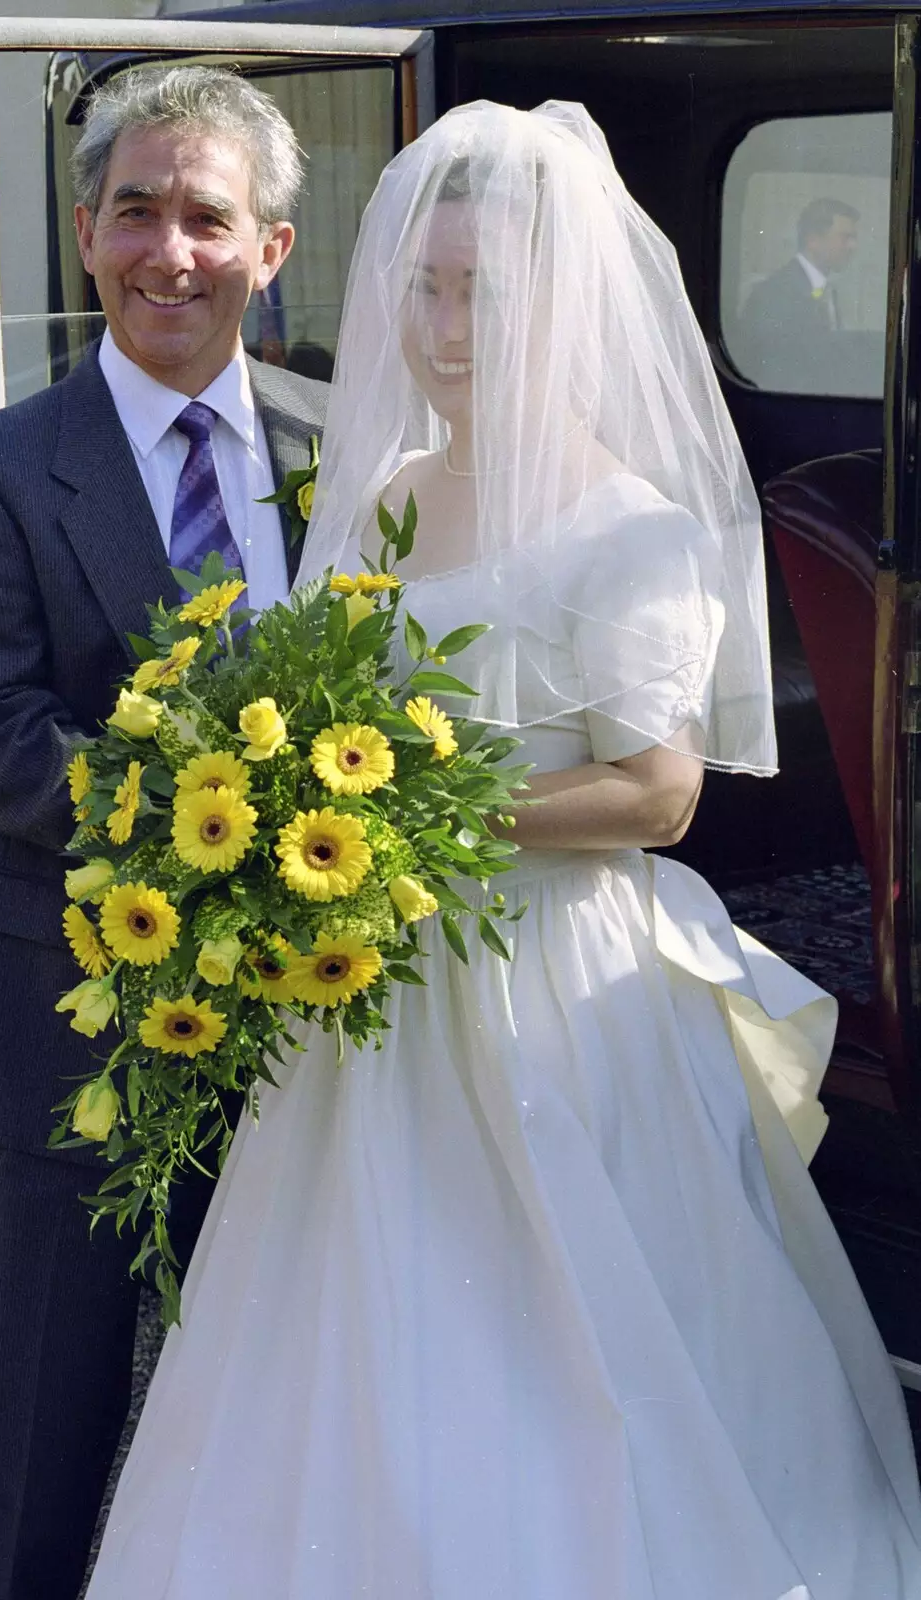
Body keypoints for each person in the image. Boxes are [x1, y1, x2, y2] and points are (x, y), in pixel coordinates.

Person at [84, 103, 921, 1598]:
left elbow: (659, 795)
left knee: (576, 1323)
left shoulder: (635, 527)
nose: (448, 323)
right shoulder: (383, 495)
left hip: (547, 973)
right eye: (426, 286)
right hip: (373, 980)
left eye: (486, 291)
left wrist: (410, 821)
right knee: (345, 1313)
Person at [0, 64, 329, 1600]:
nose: (170, 253)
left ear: (269, 248)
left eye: (206, 218)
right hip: (74, 1024)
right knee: (40, 1427)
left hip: (312, 1031)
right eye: (134, 211)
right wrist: (227, 821)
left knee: (281, 1404)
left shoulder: (343, 450)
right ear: (84, 233)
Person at [736, 196, 859, 392]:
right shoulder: (773, 295)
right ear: (813, 240)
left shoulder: (828, 292)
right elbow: (776, 371)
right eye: (845, 237)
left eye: (854, 238)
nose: (853, 247)